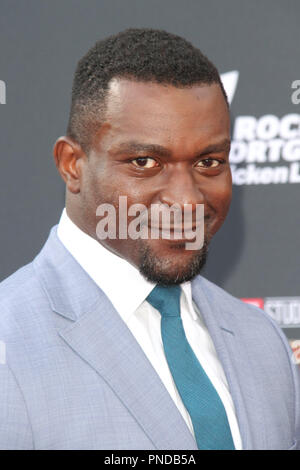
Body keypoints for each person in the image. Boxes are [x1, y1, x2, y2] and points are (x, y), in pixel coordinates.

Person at [0, 28, 299, 450]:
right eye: (145, 161)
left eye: (209, 161)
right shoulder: (9, 343)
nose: (185, 199)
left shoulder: (262, 340)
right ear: (72, 165)